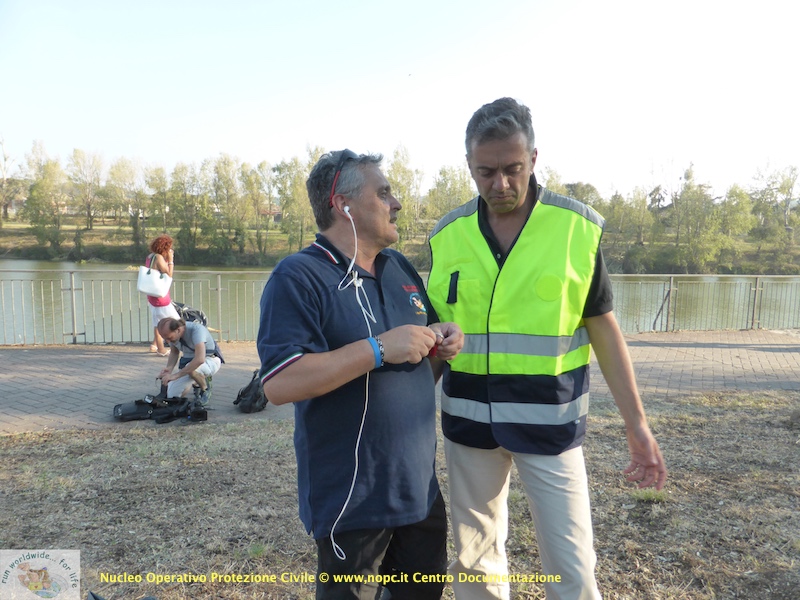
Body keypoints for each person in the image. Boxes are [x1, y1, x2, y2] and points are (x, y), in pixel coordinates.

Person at [426, 98, 668, 600]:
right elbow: (433, 337)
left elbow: (604, 331)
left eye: (513, 169)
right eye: (486, 172)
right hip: (469, 427)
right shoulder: (446, 236)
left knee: (572, 567)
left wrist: (637, 425)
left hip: (550, 426)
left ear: (534, 158)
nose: (500, 184)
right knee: (475, 562)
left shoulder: (576, 229)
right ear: (468, 165)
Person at [257, 149, 464, 600]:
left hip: (418, 491)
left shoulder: (399, 269)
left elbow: (418, 361)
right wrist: (378, 348)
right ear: (343, 204)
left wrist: (442, 341)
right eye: (383, 193)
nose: (397, 203)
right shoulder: (298, 276)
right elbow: (279, 383)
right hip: (352, 500)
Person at [157, 316, 223, 404]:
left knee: (192, 369)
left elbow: (199, 360)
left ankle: (205, 389)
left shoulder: (197, 330)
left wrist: (176, 376)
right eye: (165, 339)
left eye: (169, 338)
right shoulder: (173, 335)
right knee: (172, 395)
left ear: (178, 330)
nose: (168, 342)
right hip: (189, 364)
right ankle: (196, 381)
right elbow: (174, 352)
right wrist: (168, 370)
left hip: (210, 360)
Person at [145, 234, 179, 355]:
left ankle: (155, 345)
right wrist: (171, 260)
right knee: (177, 323)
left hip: (152, 295)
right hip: (160, 298)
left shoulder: (150, 256)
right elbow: (169, 274)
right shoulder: (159, 258)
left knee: (157, 322)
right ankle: (162, 349)